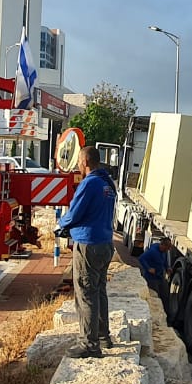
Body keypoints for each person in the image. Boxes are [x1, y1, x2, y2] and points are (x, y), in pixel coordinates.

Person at [56, 145, 117, 357]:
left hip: (88, 245)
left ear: (85, 162)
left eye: (79, 163)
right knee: (99, 291)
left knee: (86, 294)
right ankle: (103, 336)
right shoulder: (108, 184)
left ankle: (89, 345)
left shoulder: (89, 184)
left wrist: (61, 224)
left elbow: (75, 213)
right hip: (105, 243)